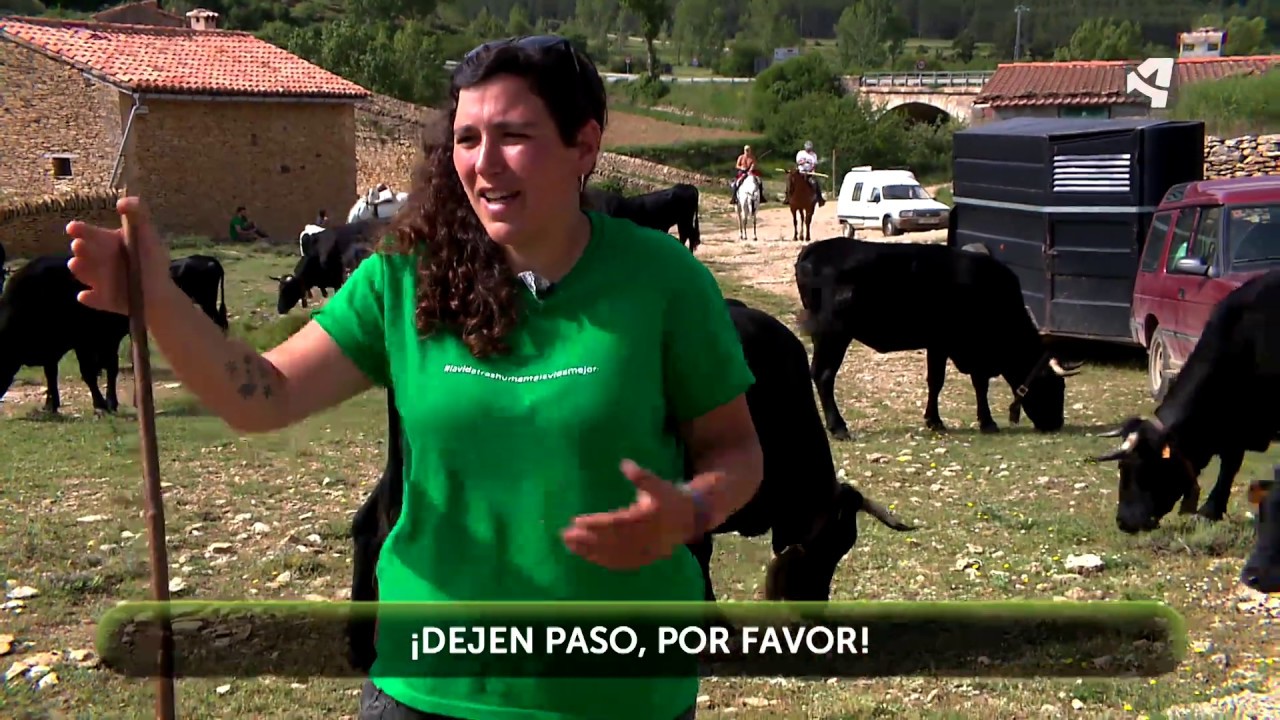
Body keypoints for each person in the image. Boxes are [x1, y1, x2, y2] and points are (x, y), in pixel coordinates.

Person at [64, 33, 764, 720]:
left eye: (514, 135)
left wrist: (693, 510)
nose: (484, 164)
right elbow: (263, 396)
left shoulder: (664, 281)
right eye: (466, 139)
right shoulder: (405, 279)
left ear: (584, 146)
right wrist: (159, 301)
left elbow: (734, 451)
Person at [787, 140, 825, 207]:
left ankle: (819, 199)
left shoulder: (814, 155)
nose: (808, 150)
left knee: (815, 183)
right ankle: (788, 197)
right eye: (807, 149)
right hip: (800, 172)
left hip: (809, 173)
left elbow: (814, 165)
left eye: (809, 149)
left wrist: (813, 170)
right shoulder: (800, 153)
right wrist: (804, 162)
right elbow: (798, 162)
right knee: (790, 180)